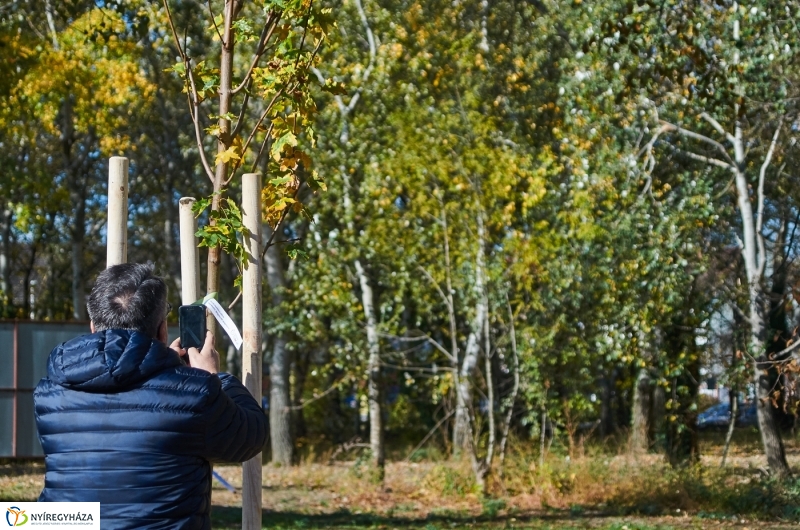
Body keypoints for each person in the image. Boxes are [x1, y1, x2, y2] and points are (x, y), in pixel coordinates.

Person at [34, 263, 268, 529]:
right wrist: (213, 378)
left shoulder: (49, 392)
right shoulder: (195, 394)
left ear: (92, 326)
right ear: (162, 330)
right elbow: (251, 436)